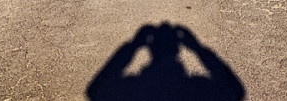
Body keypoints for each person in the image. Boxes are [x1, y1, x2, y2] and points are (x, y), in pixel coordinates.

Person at [87, 22, 245, 100]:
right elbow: (235, 91)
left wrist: (133, 46)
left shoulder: (136, 90)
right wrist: (198, 48)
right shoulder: (193, 90)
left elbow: (95, 90)